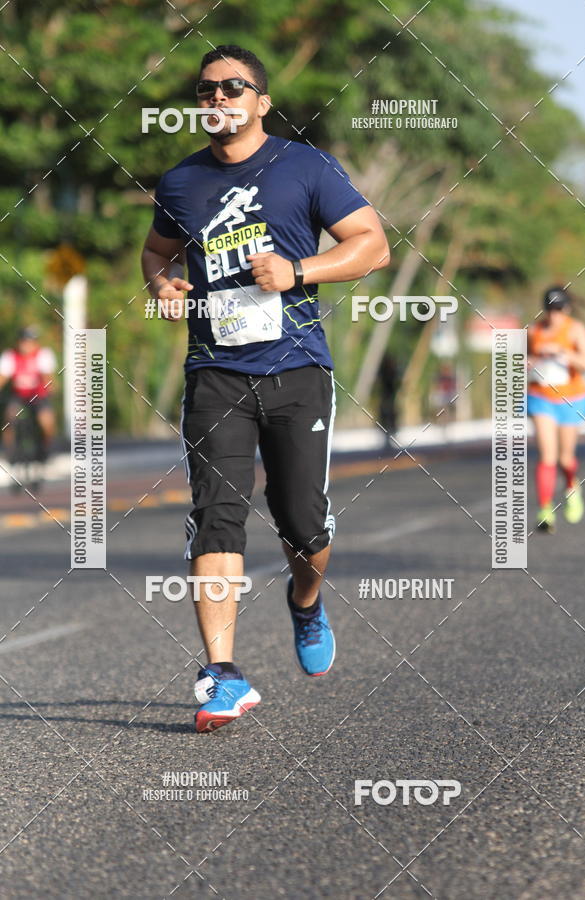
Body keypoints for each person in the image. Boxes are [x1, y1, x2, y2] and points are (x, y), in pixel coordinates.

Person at [141, 44, 390, 732]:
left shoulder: (303, 167)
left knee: (303, 527)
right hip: (214, 374)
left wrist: (299, 271)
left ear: (261, 101)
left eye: (233, 87)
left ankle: (306, 603)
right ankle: (223, 674)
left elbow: (372, 244)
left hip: (298, 370)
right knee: (216, 515)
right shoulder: (181, 182)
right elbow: (158, 250)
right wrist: (162, 282)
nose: (217, 98)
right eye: (206, 90)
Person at [527, 286, 585, 532]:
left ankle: (571, 485)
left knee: (565, 458)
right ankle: (545, 510)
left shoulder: (575, 330)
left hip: (571, 399)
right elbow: (522, 362)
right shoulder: (534, 331)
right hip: (540, 397)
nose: (553, 315)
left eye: (558, 310)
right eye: (549, 310)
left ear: (565, 309)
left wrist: (564, 353)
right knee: (547, 455)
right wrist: (529, 362)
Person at [0, 326, 57, 464]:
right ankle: (10, 451)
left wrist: (51, 387)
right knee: (10, 417)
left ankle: (46, 447)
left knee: (46, 420)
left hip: (39, 395)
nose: (27, 345)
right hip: (18, 395)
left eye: (30, 341)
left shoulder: (43, 355)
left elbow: (48, 377)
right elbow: (2, 378)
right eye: (24, 341)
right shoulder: (10, 356)